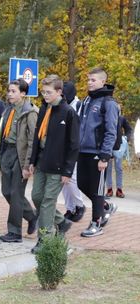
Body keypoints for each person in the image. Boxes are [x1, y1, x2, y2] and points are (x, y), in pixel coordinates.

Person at [28, 75, 78, 254]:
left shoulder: (69, 112)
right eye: (43, 91)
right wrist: (32, 161)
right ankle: (62, 221)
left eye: (48, 92)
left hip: (58, 167)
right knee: (37, 197)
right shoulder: (44, 109)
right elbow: (37, 137)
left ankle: (45, 239)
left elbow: (73, 145)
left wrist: (67, 170)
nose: (45, 95)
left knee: (48, 201)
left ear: (59, 92)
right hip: (42, 163)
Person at [77, 67, 119, 237]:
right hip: (83, 151)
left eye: (93, 80)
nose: (89, 82)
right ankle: (105, 206)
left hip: (98, 153)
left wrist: (104, 156)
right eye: (88, 79)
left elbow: (111, 131)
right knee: (81, 184)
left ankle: (96, 224)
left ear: (103, 81)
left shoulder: (109, 103)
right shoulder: (87, 100)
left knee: (97, 190)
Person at [0, 78, 38, 243]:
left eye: (13, 91)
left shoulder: (30, 112)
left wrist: (28, 164)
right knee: (6, 191)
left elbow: (32, 140)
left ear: (23, 93)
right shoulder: (9, 110)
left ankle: (14, 232)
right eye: (8, 91)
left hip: (21, 155)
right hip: (7, 151)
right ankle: (32, 216)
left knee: (16, 194)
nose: (9, 94)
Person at [61, 82, 86, 222]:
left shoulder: (78, 106)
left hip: (74, 147)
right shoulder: (62, 106)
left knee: (71, 179)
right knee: (64, 181)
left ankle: (79, 205)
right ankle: (70, 208)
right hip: (62, 147)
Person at [105, 105, 132, 198]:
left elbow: (129, 129)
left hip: (119, 147)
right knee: (108, 169)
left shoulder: (121, 119)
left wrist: (126, 138)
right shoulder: (106, 118)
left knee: (119, 168)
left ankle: (119, 190)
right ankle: (109, 190)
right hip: (108, 146)